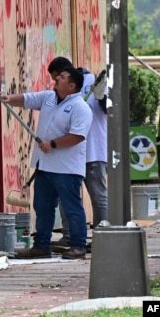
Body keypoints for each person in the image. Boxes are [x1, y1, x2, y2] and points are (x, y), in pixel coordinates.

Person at [0, 66, 93, 260]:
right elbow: (27, 99)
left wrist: (54, 144)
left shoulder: (80, 108)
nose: (57, 77)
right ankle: (41, 246)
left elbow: (77, 136)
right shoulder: (48, 98)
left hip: (67, 168)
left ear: (72, 85)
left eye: (63, 77)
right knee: (42, 207)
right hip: (45, 166)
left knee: (72, 208)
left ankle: (78, 246)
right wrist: (8, 98)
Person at [47, 59, 108, 252]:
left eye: (58, 78)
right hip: (70, 153)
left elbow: (111, 110)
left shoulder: (94, 82)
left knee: (98, 196)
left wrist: (101, 97)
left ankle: (102, 238)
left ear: (66, 74)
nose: (56, 82)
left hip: (93, 150)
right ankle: (69, 236)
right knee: (68, 196)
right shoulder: (61, 91)